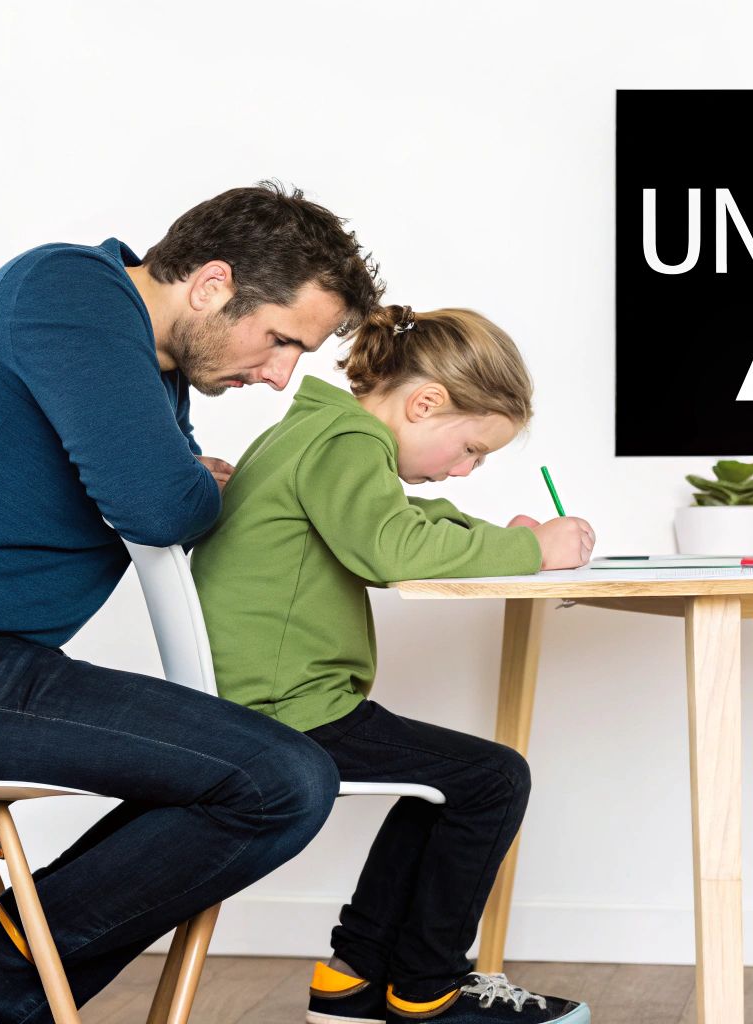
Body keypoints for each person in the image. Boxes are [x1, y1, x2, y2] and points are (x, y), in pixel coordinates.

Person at [0, 183, 382, 1024]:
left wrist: (178, 478)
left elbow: (161, 492)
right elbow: (162, 506)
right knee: (282, 776)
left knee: (252, 767)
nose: (279, 374)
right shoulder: (68, 291)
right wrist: (190, 481)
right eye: (280, 340)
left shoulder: (152, 369)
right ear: (213, 284)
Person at [190, 305, 595, 1024]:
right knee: (494, 778)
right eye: (471, 449)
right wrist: (535, 552)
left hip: (267, 698)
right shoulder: (345, 441)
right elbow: (392, 547)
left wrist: (500, 537)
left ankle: (356, 977)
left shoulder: (316, 433)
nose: (466, 471)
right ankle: (429, 988)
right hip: (285, 710)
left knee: (443, 783)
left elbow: (400, 521)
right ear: (426, 403)